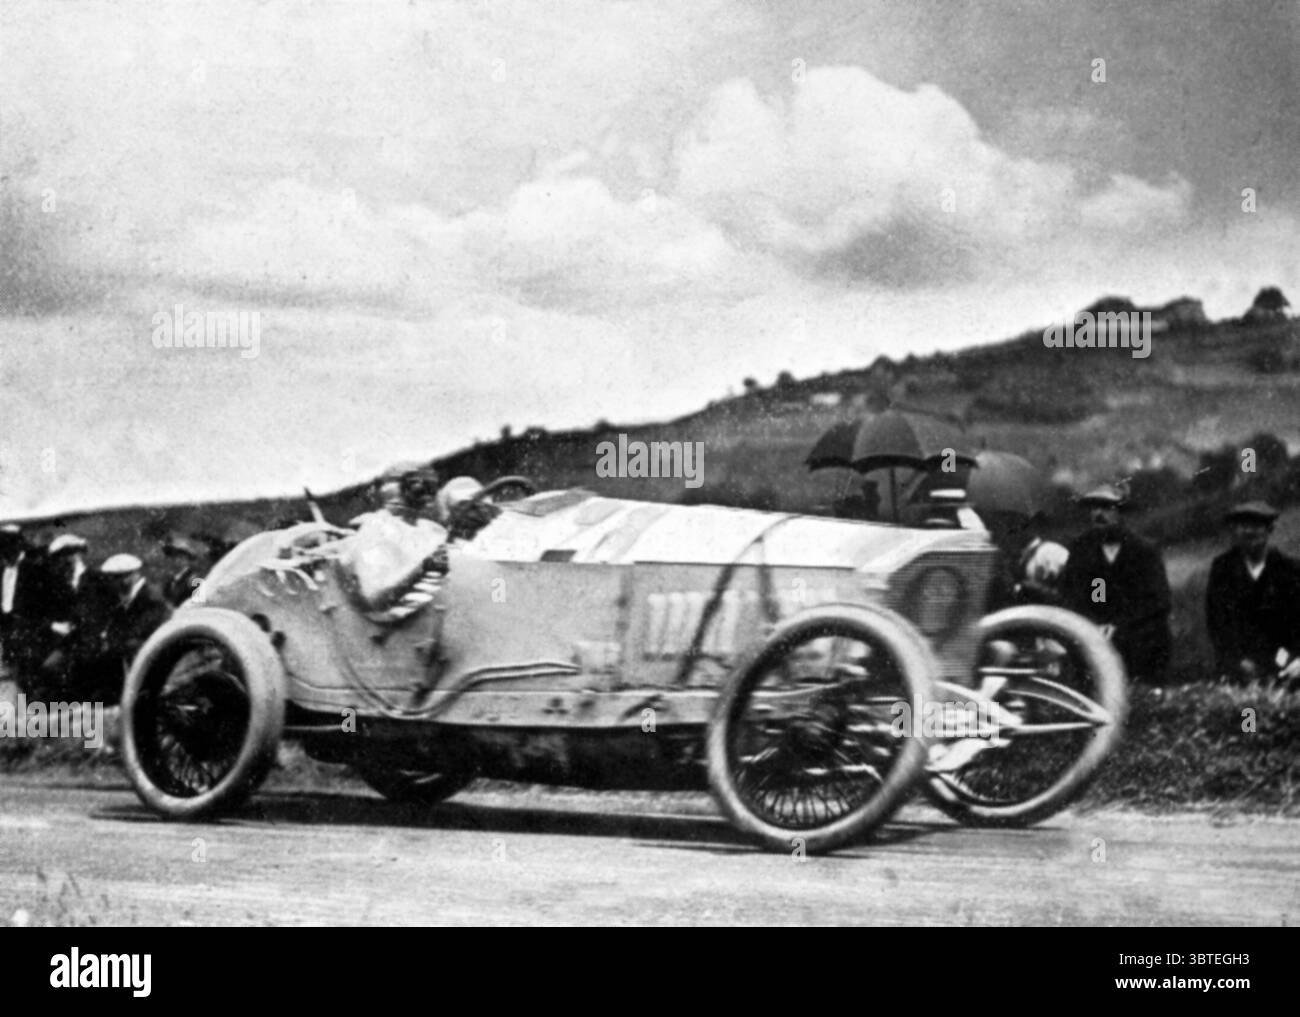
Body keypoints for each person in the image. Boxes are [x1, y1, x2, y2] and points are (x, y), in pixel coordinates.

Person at [1058, 484, 1172, 683]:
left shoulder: (1144, 550)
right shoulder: (1082, 549)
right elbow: (1074, 594)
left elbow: (1158, 601)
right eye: (1094, 507)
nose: (1098, 514)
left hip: (1139, 641)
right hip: (1093, 640)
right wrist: (1094, 623)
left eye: (1106, 508)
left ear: (1120, 513)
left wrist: (1118, 626)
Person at [1205, 501, 1300, 683]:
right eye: (1243, 526)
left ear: (1269, 529)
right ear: (1235, 531)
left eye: (1256, 525)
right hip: (1238, 670)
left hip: (1286, 668)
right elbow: (1217, 622)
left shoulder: (1290, 569)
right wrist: (1237, 660)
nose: (1249, 532)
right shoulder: (1222, 569)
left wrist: (1297, 658)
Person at [70, 554, 171, 704]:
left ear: (132, 576)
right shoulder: (124, 599)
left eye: (116, 578)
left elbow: (137, 635)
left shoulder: (152, 600)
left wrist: (111, 644)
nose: (112, 583)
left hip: (148, 667)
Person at [161, 534, 205, 607]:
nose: (173, 560)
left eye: (178, 556)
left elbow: (199, 605)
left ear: (186, 558)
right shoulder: (169, 582)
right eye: (171, 556)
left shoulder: (195, 579)